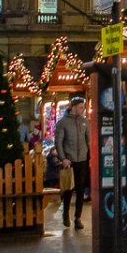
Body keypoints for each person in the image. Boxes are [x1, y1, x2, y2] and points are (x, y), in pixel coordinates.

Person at [55, 97, 92, 230]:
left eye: (83, 107)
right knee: (68, 189)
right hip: (68, 161)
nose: (83, 110)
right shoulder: (62, 123)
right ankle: (65, 214)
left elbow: (89, 140)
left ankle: (78, 217)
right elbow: (58, 142)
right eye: (80, 107)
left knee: (81, 189)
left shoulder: (85, 122)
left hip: (82, 159)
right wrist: (63, 158)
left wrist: (91, 156)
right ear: (73, 107)